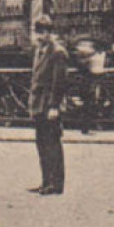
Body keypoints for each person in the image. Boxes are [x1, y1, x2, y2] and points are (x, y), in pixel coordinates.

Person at [28, 15, 67, 195]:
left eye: (42, 32)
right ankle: (46, 181)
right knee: (41, 143)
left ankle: (56, 183)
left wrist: (54, 106)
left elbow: (58, 82)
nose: (39, 36)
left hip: (48, 104)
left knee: (52, 143)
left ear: (49, 33)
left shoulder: (57, 52)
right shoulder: (39, 50)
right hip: (38, 104)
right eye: (38, 32)